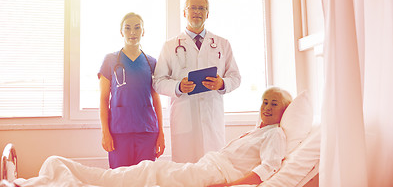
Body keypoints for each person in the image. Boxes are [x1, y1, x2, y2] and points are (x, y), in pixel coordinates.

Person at [8, 87, 292, 187]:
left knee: (143, 174)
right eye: (265, 101)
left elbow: (267, 169)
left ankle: (50, 174)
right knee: (141, 173)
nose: (267, 107)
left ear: (285, 110)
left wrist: (228, 186)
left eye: (274, 103)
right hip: (203, 168)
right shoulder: (258, 132)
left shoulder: (275, 136)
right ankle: (55, 170)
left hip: (210, 175)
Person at [153, 0, 241, 163]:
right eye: (192, 8)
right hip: (185, 117)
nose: (197, 12)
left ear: (207, 14)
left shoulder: (222, 44)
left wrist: (222, 83)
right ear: (184, 13)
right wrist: (178, 87)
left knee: (213, 168)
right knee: (186, 172)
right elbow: (158, 81)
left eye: (202, 8)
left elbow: (235, 77)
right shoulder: (170, 46)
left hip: (212, 117)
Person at [98, 12, 165, 168]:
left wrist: (161, 132)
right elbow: (103, 99)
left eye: (137, 27)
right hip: (119, 131)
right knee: (121, 180)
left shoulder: (151, 62)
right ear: (121, 32)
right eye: (127, 28)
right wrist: (105, 132)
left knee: (144, 179)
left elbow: (156, 100)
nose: (132, 32)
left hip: (147, 131)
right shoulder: (110, 60)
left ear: (143, 31)